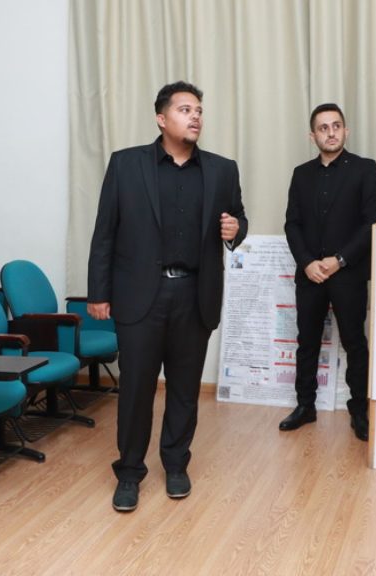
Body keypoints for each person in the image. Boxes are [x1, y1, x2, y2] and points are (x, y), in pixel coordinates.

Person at [87, 81, 248, 512]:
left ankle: (176, 464)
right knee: (136, 390)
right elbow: (105, 232)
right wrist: (98, 292)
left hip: (195, 293)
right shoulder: (126, 165)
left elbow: (237, 219)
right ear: (161, 119)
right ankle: (129, 472)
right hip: (140, 295)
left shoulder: (222, 170)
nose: (195, 117)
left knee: (184, 388)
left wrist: (236, 230)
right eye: (184, 109)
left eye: (199, 110)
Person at [280, 103, 376, 441]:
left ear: (346, 130)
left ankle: (359, 411)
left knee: (355, 343)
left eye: (336, 126)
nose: (331, 132)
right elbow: (292, 224)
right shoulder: (301, 174)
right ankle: (305, 406)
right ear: (312, 136)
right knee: (306, 342)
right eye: (323, 128)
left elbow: (372, 221)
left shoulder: (365, 169)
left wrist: (339, 260)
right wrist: (307, 262)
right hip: (310, 274)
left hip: (348, 274)